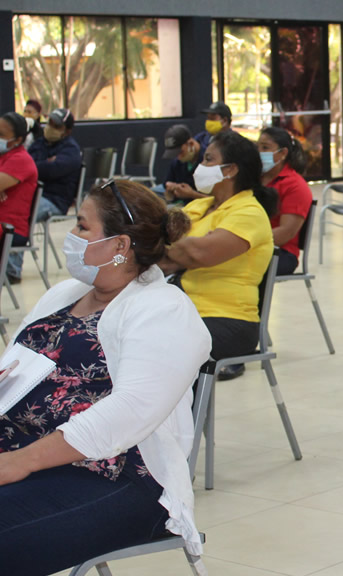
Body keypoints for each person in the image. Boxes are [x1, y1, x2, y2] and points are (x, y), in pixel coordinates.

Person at [0, 180, 211, 576]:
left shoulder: (165, 310)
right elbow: (16, 365)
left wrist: (20, 463)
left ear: (120, 246)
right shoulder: (67, 293)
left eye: (82, 226)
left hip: (112, 476)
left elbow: (131, 411)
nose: (71, 236)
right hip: (21, 451)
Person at [160, 131, 276, 382]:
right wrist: (182, 249)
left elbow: (199, 253)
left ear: (230, 170)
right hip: (182, 309)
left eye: (209, 160)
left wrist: (182, 248)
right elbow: (162, 254)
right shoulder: (199, 206)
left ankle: (185, 420)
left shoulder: (249, 213)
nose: (201, 166)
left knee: (151, 347)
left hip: (226, 320)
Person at [11, 108, 82, 282]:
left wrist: (38, 166)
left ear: (67, 130)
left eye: (55, 125)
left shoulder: (71, 150)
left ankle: (11, 271)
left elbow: (44, 170)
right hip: (32, 195)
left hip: (54, 200)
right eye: (49, 122)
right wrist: (44, 164)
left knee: (19, 214)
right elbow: (26, 165)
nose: (50, 127)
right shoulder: (39, 144)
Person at [257, 126, 313, 276]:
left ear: (282, 153)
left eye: (265, 148)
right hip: (253, 245)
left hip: (280, 253)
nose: (259, 152)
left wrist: (245, 242)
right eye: (258, 147)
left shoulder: (295, 185)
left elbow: (286, 233)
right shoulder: (255, 179)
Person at [0, 112, 38, 282]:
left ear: (17, 140)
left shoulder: (20, 159)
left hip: (9, 228)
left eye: (1, 135)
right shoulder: (5, 157)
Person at [159, 124, 206, 204]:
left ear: (191, 144)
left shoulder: (209, 161)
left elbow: (220, 201)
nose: (179, 157)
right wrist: (171, 190)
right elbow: (167, 184)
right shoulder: (177, 163)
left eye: (181, 152)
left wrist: (192, 194)